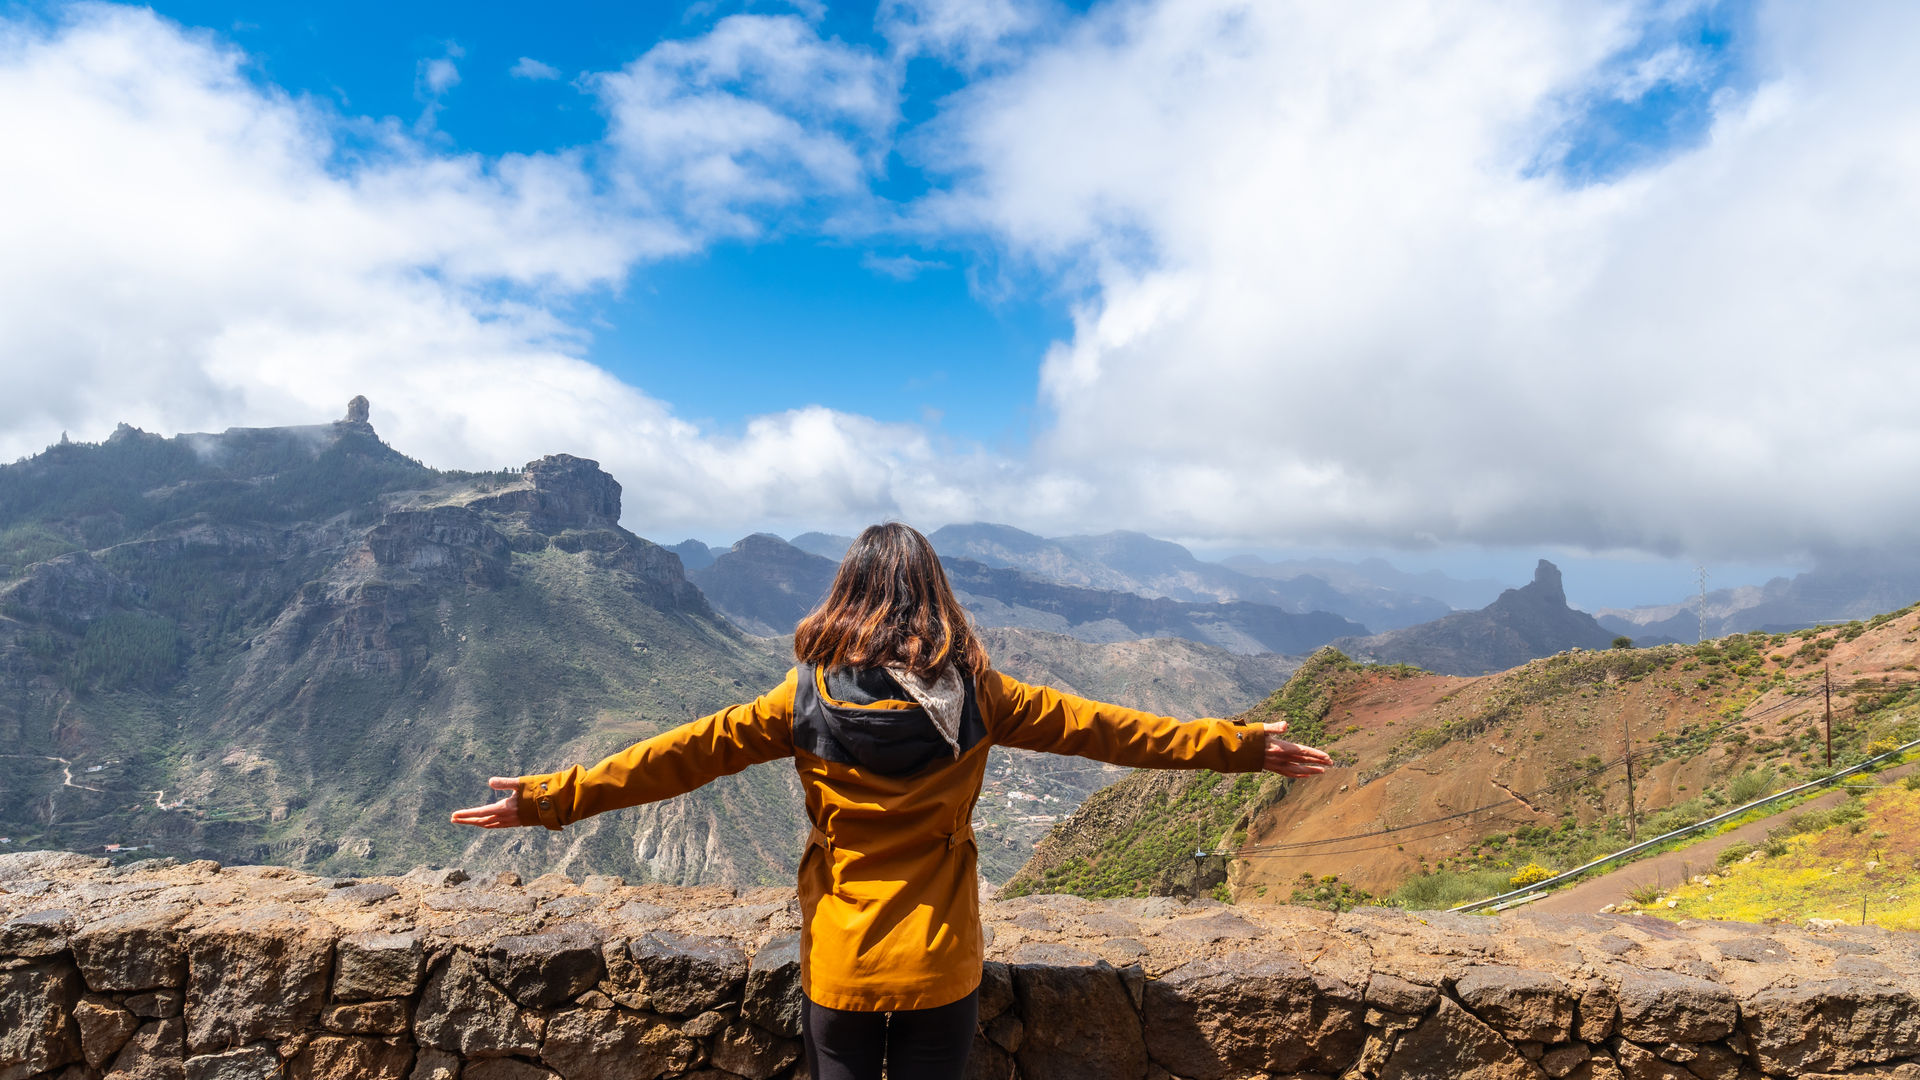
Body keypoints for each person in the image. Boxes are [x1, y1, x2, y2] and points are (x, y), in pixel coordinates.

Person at [451, 522, 1333, 1080]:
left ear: (848, 596)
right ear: (936, 595)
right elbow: (1113, 730)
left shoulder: (799, 701)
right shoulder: (986, 696)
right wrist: (1239, 745)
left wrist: (548, 799)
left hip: (842, 963)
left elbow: (674, 759)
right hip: (940, 965)